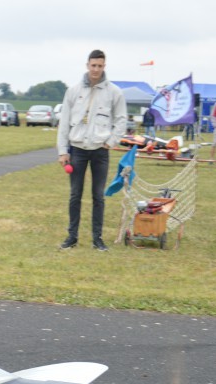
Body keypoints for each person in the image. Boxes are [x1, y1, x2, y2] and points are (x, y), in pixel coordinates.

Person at [56, 49, 128, 252]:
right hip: (77, 150)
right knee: (75, 195)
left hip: (100, 151)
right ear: (87, 65)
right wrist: (63, 151)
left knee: (98, 196)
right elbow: (64, 124)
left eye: (100, 66)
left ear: (104, 66)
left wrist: (111, 142)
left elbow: (121, 119)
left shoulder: (114, 92)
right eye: (93, 65)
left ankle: (97, 238)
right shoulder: (73, 91)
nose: (96, 69)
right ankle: (72, 236)